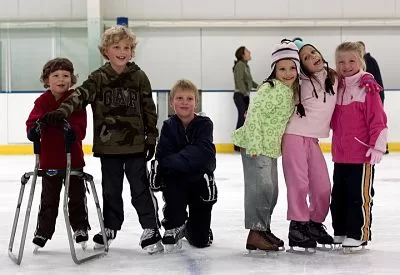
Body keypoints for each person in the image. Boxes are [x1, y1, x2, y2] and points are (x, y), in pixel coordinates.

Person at [41, 26, 162, 254]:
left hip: (135, 145)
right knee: (110, 191)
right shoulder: (99, 78)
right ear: (106, 50)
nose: (122, 51)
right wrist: (61, 111)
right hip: (109, 148)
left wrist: (151, 138)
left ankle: (150, 227)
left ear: (132, 51)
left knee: (140, 189)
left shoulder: (139, 77)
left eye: (126, 47)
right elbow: (80, 96)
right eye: (116, 47)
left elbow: (149, 109)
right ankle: (111, 226)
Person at [232, 41, 300, 252]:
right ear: (274, 70)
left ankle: (263, 228)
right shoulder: (269, 88)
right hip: (256, 145)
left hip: (270, 148)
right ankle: (255, 232)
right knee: (260, 189)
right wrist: (254, 144)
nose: (287, 73)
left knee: (272, 191)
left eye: (292, 68)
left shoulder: (290, 91)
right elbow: (254, 116)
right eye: (282, 69)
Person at [26, 58, 90, 249]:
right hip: (50, 161)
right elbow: (32, 122)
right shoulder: (42, 101)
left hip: (73, 159)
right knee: (49, 200)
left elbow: (81, 127)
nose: (61, 79)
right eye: (55, 76)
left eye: (65, 75)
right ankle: (43, 232)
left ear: (72, 79)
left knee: (77, 197)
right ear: (47, 80)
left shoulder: (75, 99)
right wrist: (35, 128)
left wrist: (71, 129)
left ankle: (80, 228)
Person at [330, 41, 387, 249]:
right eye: (341, 62)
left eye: (351, 60)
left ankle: (358, 233)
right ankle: (341, 230)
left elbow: (378, 119)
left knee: (358, 196)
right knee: (339, 196)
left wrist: (377, 146)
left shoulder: (367, 86)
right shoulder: (337, 86)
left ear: (361, 61)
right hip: (340, 154)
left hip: (361, 154)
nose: (346, 66)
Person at [282, 38, 337, 251]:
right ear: (301, 65)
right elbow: (277, 88)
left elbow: (353, 76)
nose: (312, 57)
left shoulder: (334, 77)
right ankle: (297, 227)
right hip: (293, 136)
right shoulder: (299, 82)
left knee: (323, 186)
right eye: (305, 57)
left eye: (313, 52)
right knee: (299, 183)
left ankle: (314, 223)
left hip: (312, 139)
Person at [150, 79, 217, 251]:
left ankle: (193, 228)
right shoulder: (168, 126)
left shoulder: (205, 124)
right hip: (176, 181)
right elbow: (162, 155)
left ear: (196, 102)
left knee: (200, 241)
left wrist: (173, 161)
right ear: (172, 102)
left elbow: (203, 153)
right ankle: (175, 224)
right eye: (179, 98)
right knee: (173, 196)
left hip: (199, 182)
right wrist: (186, 160)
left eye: (189, 98)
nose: (184, 102)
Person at [357, 41, 389, 154]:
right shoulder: (365, 60)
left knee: (376, 121)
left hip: (375, 95)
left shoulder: (368, 61)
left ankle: (380, 145)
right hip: (374, 94)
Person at [232, 46, 259, 151]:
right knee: (242, 118)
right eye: (247, 51)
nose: (249, 52)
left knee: (245, 118)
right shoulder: (239, 65)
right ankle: (237, 144)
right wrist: (244, 93)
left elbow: (250, 82)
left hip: (244, 96)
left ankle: (240, 143)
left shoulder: (246, 66)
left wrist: (261, 86)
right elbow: (239, 80)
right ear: (242, 55)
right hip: (240, 96)